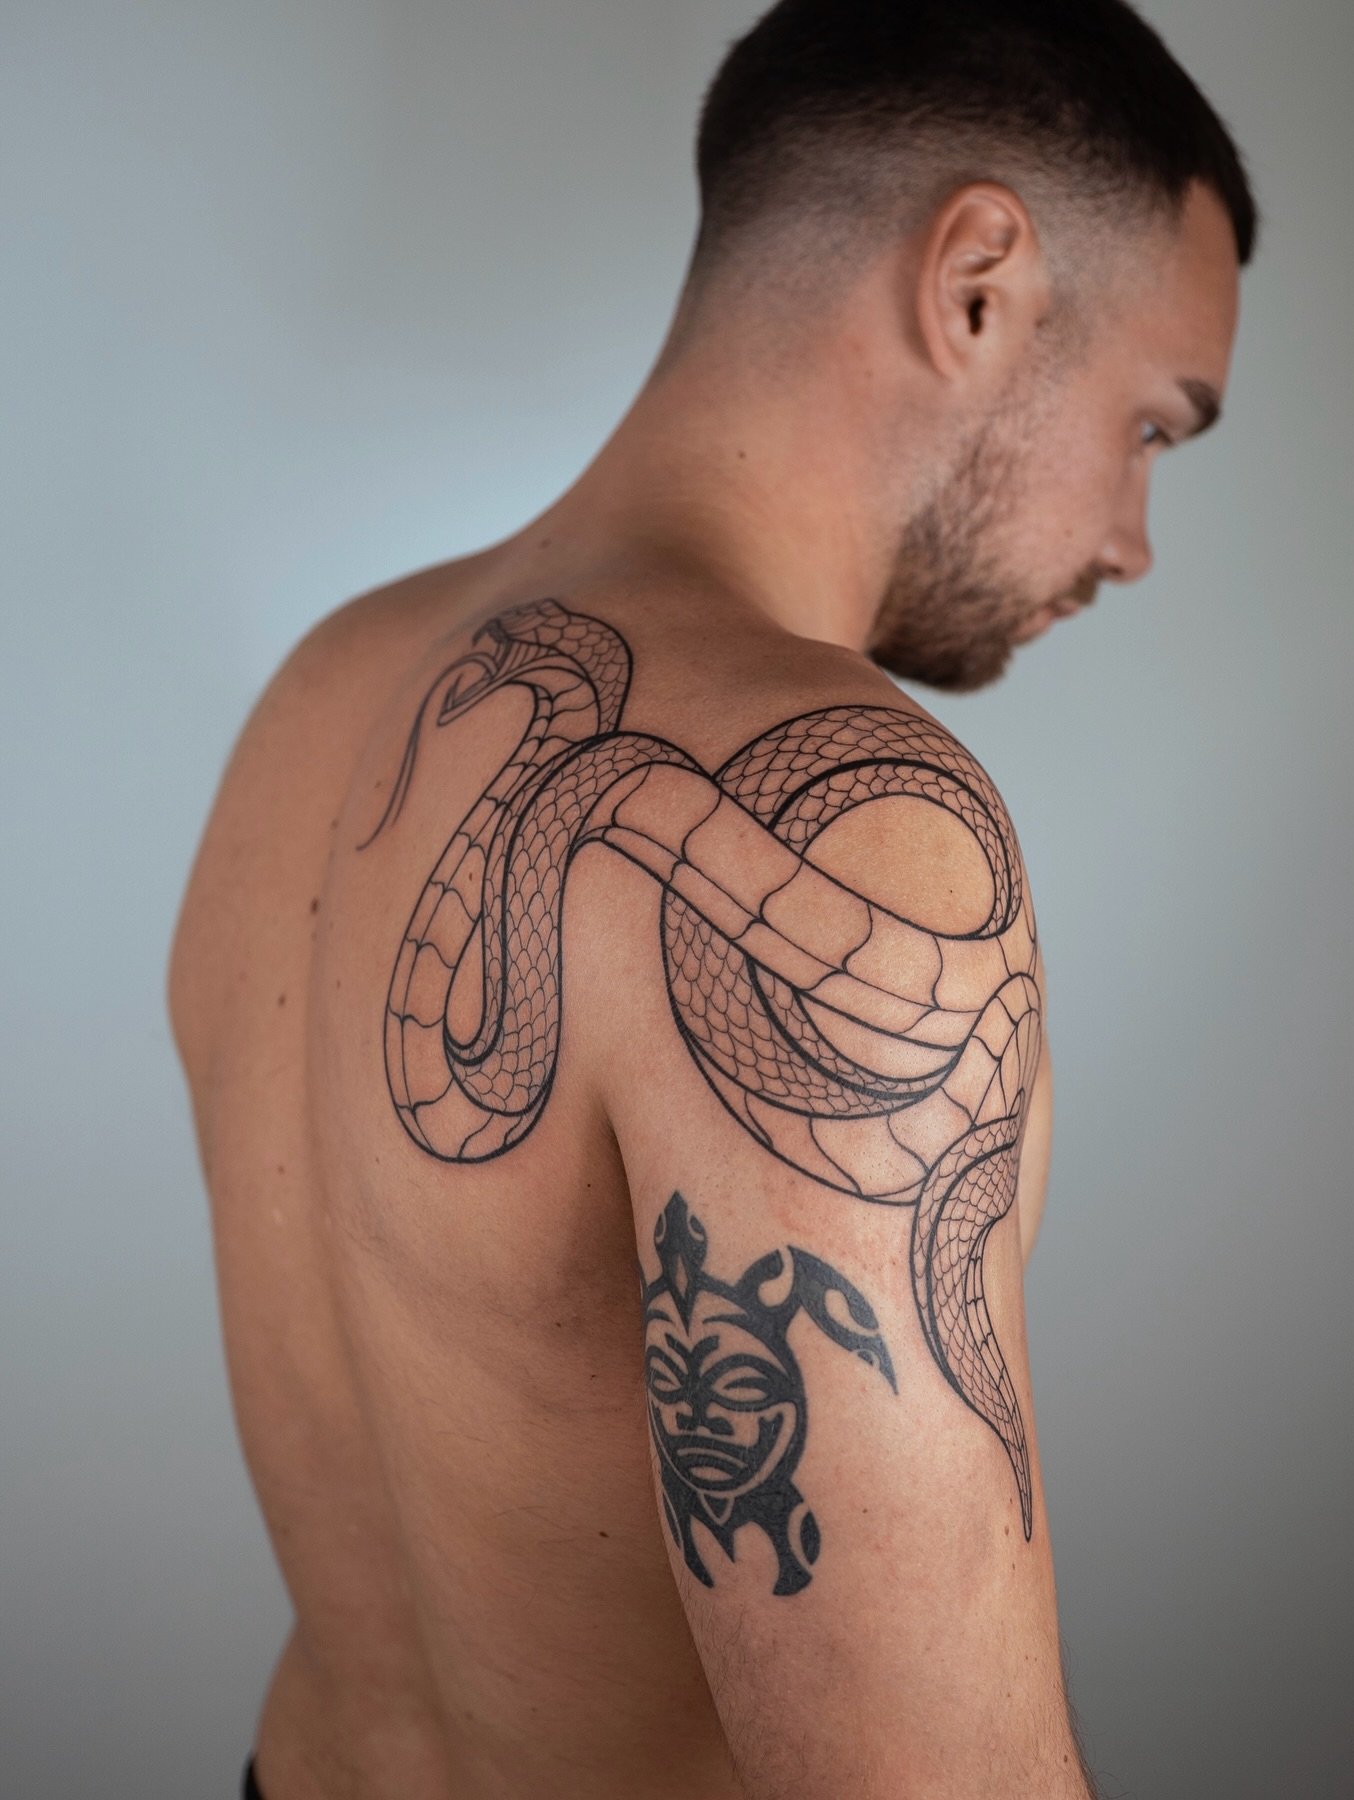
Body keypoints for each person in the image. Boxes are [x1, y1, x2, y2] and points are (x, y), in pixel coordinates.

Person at [168, 3, 1256, 1796]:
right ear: (978, 283)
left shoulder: (326, 689)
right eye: (1153, 426)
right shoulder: (856, 815)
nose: (1133, 541)